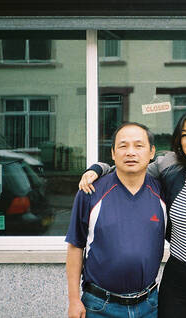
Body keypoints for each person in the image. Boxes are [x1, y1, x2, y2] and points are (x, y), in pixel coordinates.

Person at [79, 109, 186, 318]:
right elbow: (129, 168)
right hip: (179, 276)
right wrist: (98, 168)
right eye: (185, 135)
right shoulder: (169, 167)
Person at [65, 122, 165, 318]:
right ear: (112, 153)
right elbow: (75, 246)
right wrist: (74, 299)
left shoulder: (163, 192)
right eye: (123, 146)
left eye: (139, 146)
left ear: (151, 152)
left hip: (149, 306)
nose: (130, 152)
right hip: (99, 306)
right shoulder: (90, 192)